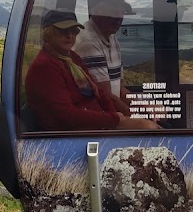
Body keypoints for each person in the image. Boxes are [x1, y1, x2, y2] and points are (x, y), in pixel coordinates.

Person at [24, 9, 159, 132]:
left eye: (74, 31)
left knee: (155, 123)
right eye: (63, 31)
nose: (70, 36)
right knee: (149, 128)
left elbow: (100, 93)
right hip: (72, 135)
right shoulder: (45, 67)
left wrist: (116, 118)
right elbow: (65, 115)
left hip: (95, 125)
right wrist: (115, 120)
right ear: (48, 34)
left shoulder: (72, 58)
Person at [74, 0, 133, 117]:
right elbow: (107, 97)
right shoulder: (88, 43)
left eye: (121, 13)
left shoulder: (111, 38)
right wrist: (138, 117)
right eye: (112, 12)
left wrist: (143, 105)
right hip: (100, 120)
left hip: (113, 113)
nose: (118, 19)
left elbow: (120, 89)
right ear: (96, 12)